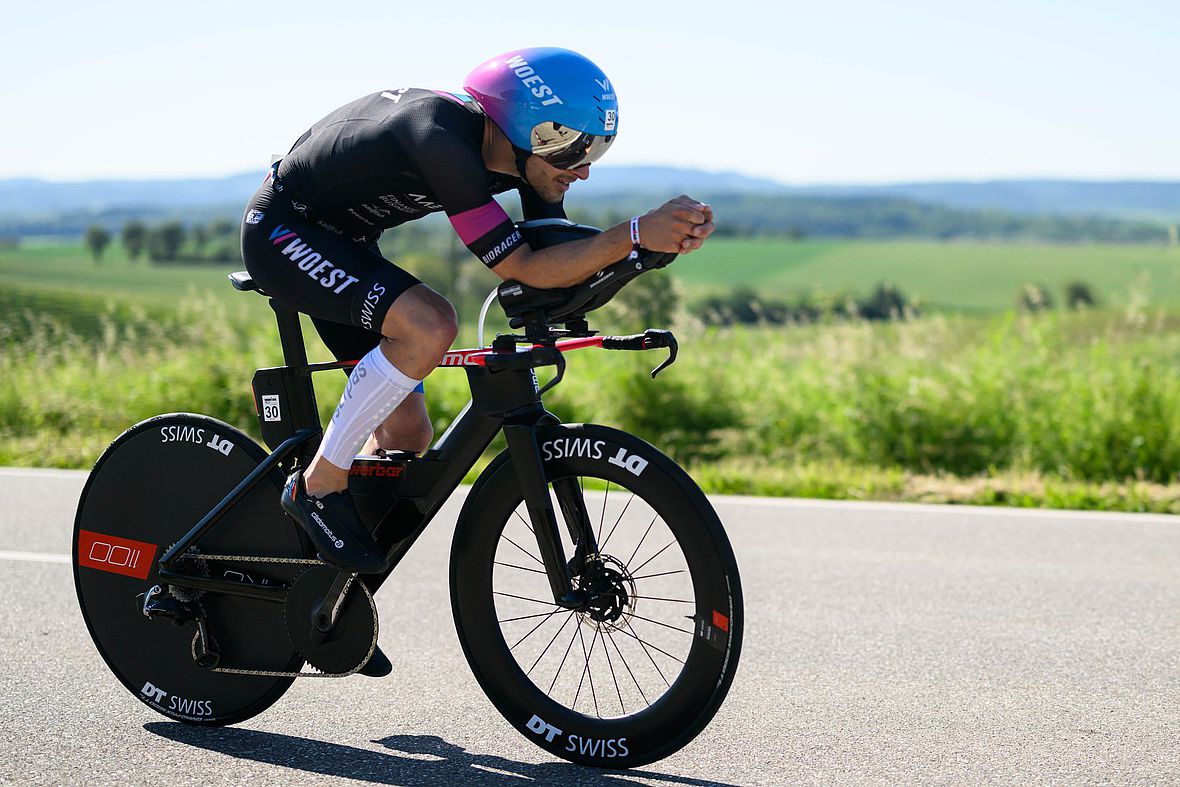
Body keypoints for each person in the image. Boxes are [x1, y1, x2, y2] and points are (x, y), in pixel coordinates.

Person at [240, 47, 715, 576]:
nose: (581, 171)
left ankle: (321, 593)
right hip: (283, 232)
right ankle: (318, 486)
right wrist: (629, 233)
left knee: (405, 437)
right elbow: (523, 266)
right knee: (430, 324)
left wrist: (645, 253)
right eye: (571, 149)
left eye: (596, 150)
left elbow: (558, 256)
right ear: (522, 130)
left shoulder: (523, 161)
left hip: (346, 243)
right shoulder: (438, 138)